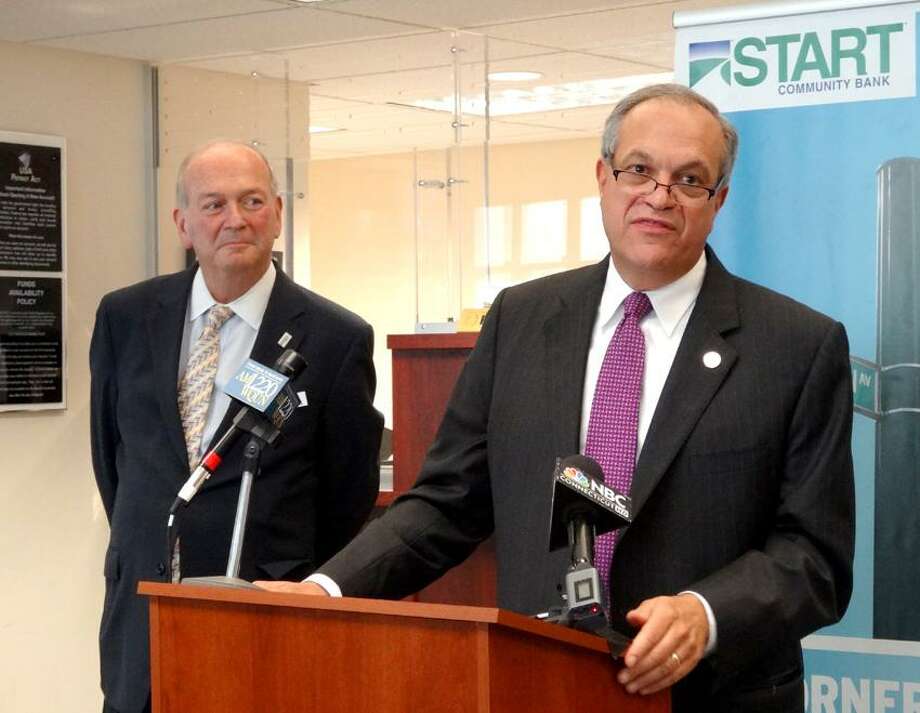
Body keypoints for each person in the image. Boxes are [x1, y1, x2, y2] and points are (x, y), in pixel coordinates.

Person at [256, 85, 855, 711]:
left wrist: (706, 614)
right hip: (537, 683)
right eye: (639, 169)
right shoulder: (520, 318)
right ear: (603, 176)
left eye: (689, 179)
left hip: (713, 696)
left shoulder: (795, 345)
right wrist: (325, 590)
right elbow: (446, 501)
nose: (659, 195)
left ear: (719, 199)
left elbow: (815, 555)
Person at [90, 140, 383, 713]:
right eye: (214, 204)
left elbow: (348, 496)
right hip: (141, 622)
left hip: (262, 622)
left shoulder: (336, 338)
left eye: (252, 201)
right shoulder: (124, 317)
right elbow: (113, 460)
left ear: (277, 213)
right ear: (183, 224)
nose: (235, 220)